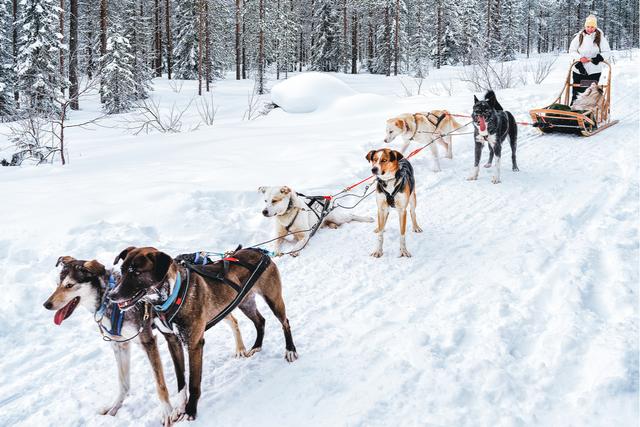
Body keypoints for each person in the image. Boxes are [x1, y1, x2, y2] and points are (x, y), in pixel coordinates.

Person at [568, 14, 611, 102]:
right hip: (579, 69)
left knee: (590, 93)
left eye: (592, 27)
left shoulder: (600, 38)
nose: (590, 29)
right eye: (588, 27)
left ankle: (589, 112)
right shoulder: (579, 36)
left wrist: (598, 58)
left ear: (595, 27)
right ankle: (575, 111)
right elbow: (572, 50)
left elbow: (607, 52)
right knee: (577, 92)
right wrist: (579, 58)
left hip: (594, 70)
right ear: (585, 26)